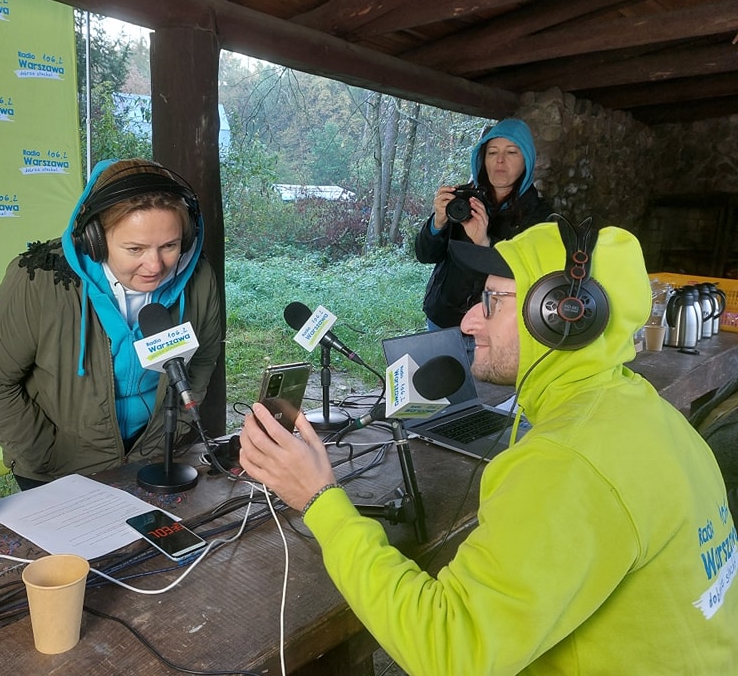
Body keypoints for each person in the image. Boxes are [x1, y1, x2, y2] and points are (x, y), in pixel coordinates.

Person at [239, 219, 738, 674]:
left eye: (492, 302)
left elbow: (449, 651)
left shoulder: (567, 463)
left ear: (560, 315)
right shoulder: (644, 411)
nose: (469, 322)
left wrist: (320, 499)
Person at [0, 158, 223, 490]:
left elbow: (202, 358)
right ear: (95, 239)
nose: (155, 265)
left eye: (169, 246)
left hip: (157, 458)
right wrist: (47, 454)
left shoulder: (198, 278)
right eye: (135, 248)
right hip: (60, 470)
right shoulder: (40, 279)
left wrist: (175, 429)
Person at [416, 117, 552, 330]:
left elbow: (532, 277)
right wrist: (438, 222)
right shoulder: (463, 200)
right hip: (443, 318)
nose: (500, 160)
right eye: (492, 152)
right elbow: (425, 255)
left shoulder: (540, 216)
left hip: (494, 327)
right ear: (482, 158)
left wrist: (485, 244)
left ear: (527, 159)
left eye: (511, 152)